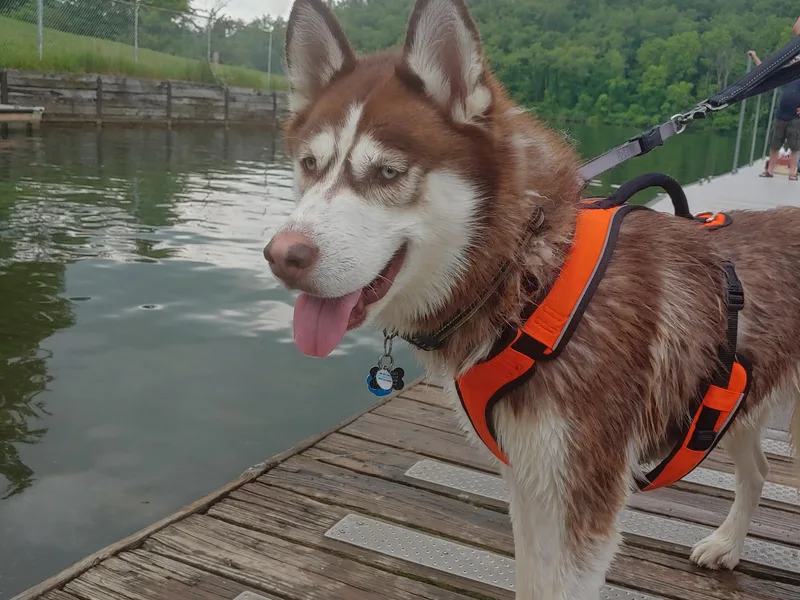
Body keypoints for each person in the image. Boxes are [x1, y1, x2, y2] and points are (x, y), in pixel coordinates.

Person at [750, 16, 800, 181]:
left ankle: (793, 173)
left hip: (796, 114)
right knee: (774, 143)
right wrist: (755, 57)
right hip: (782, 112)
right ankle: (770, 171)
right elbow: (767, 72)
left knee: (794, 145)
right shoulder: (788, 71)